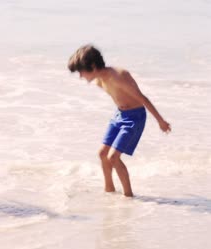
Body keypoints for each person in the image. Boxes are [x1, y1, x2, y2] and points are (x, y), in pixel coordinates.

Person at [67, 45, 171, 197]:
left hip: (134, 117)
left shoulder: (119, 76)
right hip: (119, 115)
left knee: (113, 157)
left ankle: (128, 196)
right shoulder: (99, 80)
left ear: (93, 66)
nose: (81, 76)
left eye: (81, 71)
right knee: (103, 153)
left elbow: (142, 98)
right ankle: (109, 190)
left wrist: (161, 121)